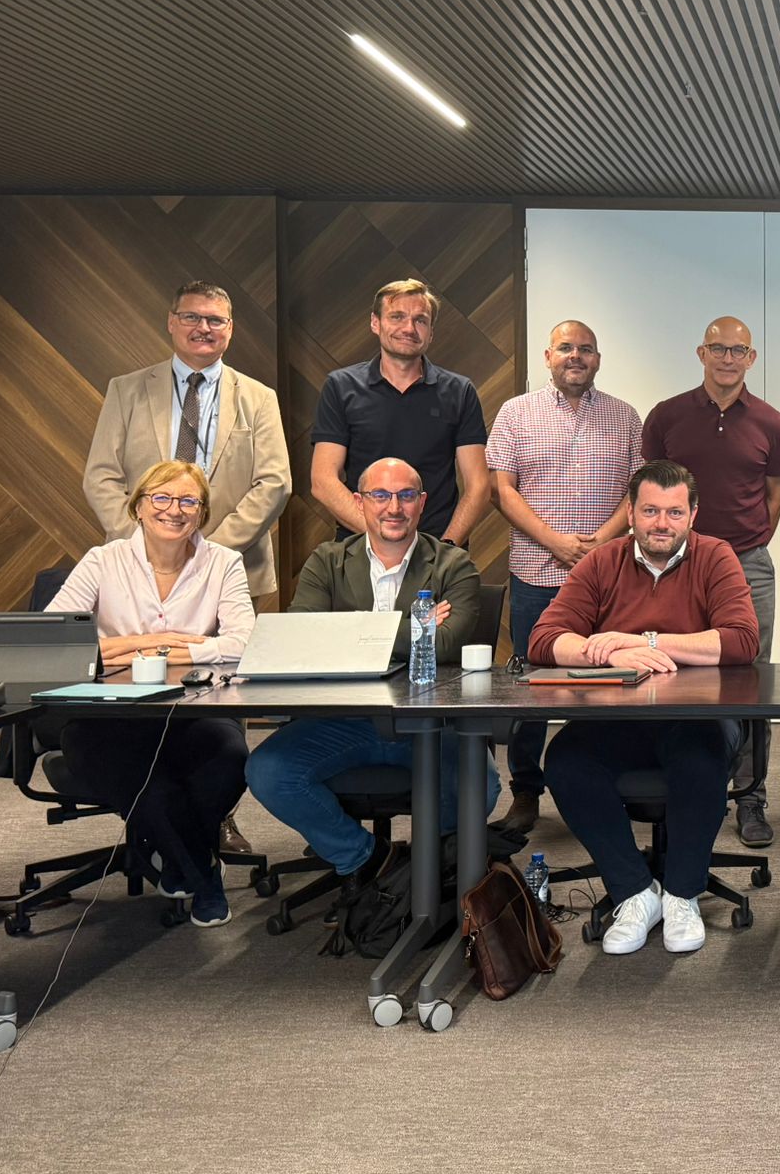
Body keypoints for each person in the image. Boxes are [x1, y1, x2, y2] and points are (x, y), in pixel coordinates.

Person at [84, 278, 289, 859]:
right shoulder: (127, 389)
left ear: (231, 329)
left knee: (225, 691)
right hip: (140, 563)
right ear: (172, 322)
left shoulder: (258, 397)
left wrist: (205, 552)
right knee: (140, 681)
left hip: (233, 563)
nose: (204, 328)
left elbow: (274, 482)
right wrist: (150, 541)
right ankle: (153, 800)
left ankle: (219, 814)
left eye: (216, 320)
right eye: (193, 317)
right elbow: (100, 475)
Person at [528, 460, 760, 956]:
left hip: (697, 716)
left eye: (674, 512)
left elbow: (742, 640)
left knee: (699, 760)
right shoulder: (602, 562)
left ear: (693, 515)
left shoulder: (715, 556)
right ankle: (634, 891)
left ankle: (682, 894)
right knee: (565, 762)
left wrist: (647, 641)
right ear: (630, 513)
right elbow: (544, 639)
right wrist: (606, 651)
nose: (662, 523)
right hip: (618, 718)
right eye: (651, 511)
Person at [243, 458, 497, 900]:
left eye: (405, 496)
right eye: (380, 495)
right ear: (360, 503)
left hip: (426, 722)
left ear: (422, 503)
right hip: (341, 721)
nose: (393, 507)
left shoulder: (453, 565)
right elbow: (303, 637)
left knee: (482, 783)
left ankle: (434, 867)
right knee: (267, 771)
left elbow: (444, 644)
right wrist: (414, 627)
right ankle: (368, 858)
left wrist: (350, 632)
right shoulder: (327, 561)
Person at [45, 460, 254, 928]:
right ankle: (204, 876)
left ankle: (177, 859)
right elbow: (54, 641)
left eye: (188, 501)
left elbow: (245, 642)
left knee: (230, 759)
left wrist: (133, 649)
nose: (173, 510)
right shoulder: (103, 561)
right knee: (133, 773)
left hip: (193, 711)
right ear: (138, 506)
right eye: (161, 497)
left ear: (201, 513)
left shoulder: (224, 563)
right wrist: (158, 642)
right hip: (108, 716)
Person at [640, 315, 780, 847]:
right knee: (674, 670)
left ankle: (751, 797)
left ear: (752, 358)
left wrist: (741, 545)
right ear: (701, 353)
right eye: (718, 349)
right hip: (676, 565)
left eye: (738, 351)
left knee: (751, 682)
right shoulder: (667, 416)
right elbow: (653, 489)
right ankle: (679, 786)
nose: (728, 359)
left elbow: (775, 495)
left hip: (748, 565)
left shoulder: (771, 423)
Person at [486, 318, 642, 835]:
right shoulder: (516, 413)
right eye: (566, 347)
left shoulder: (625, 416)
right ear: (548, 356)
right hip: (536, 571)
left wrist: (599, 546)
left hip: (608, 576)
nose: (577, 356)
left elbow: (636, 493)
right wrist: (555, 541)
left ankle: (601, 780)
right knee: (532, 683)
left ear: (598, 359)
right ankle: (526, 789)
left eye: (587, 349)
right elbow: (502, 490)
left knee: (608, 680)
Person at [310, 278, 491, 548]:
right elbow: (323, 481)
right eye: (397, 317)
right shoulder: (341, 387)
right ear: (375, 323)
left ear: (431, 332)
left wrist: (444, 549)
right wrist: (385, 541)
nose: (409, 328)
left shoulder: (459, 391)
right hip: (361, 550)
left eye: (420, 320)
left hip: (438, 552)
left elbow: (479, 486)